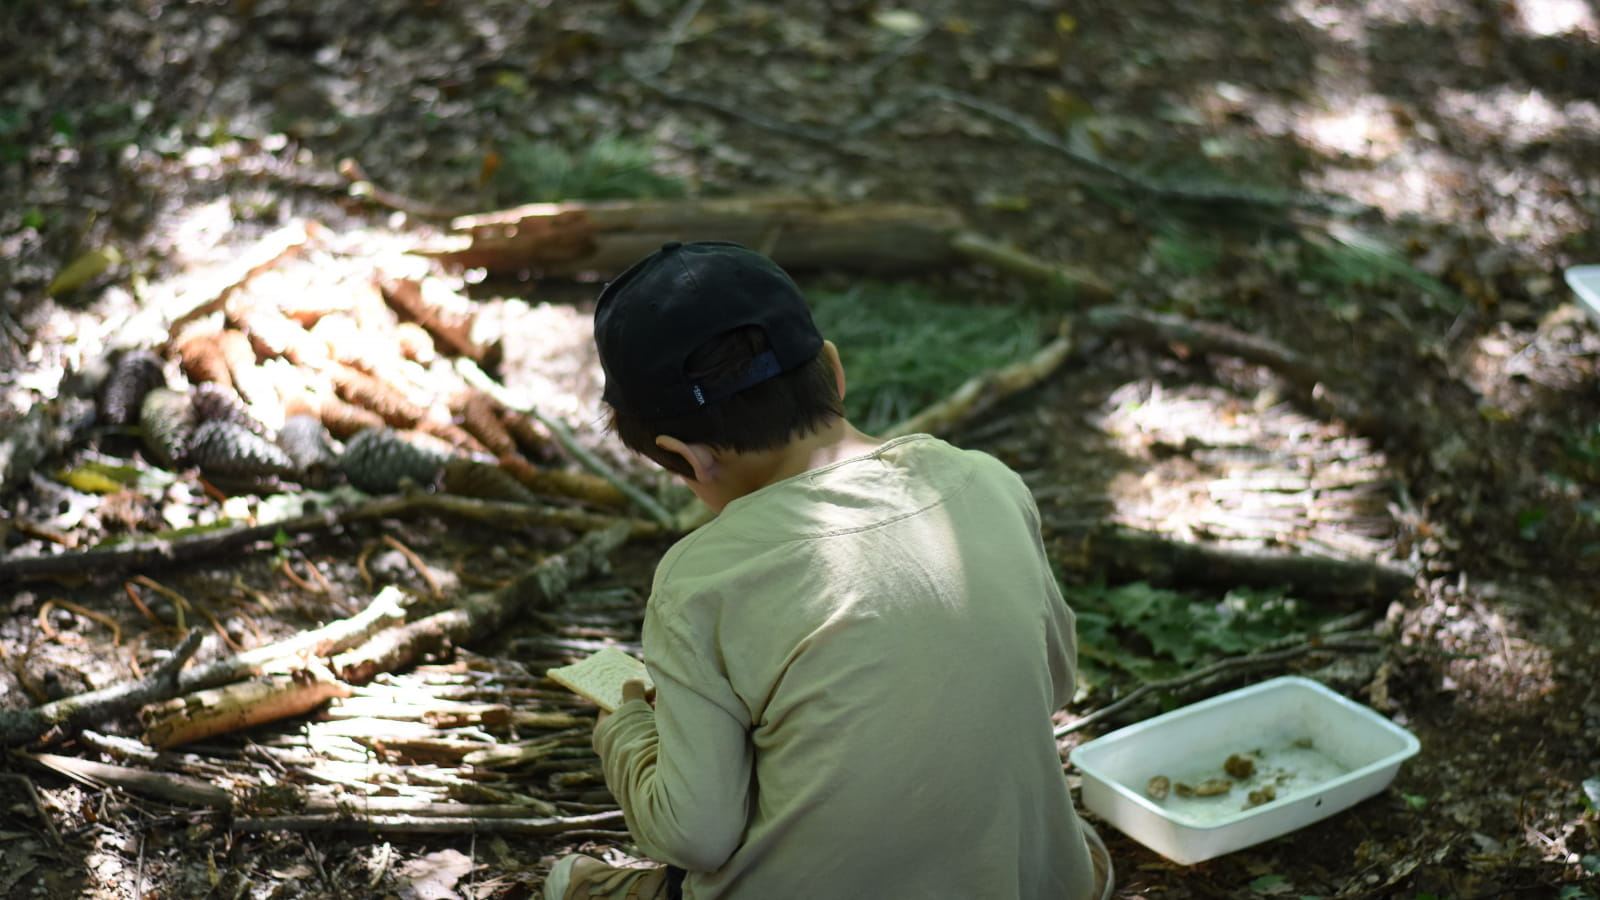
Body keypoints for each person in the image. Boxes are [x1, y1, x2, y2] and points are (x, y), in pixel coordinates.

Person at [544, 241, 1113, 900]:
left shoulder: (699, 581)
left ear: (686, 458)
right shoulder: (985, 481)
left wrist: (629, 731)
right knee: (1078, 847)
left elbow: (695, 833)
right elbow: (1055, 679)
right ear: (835, 372)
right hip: (1021, 881)